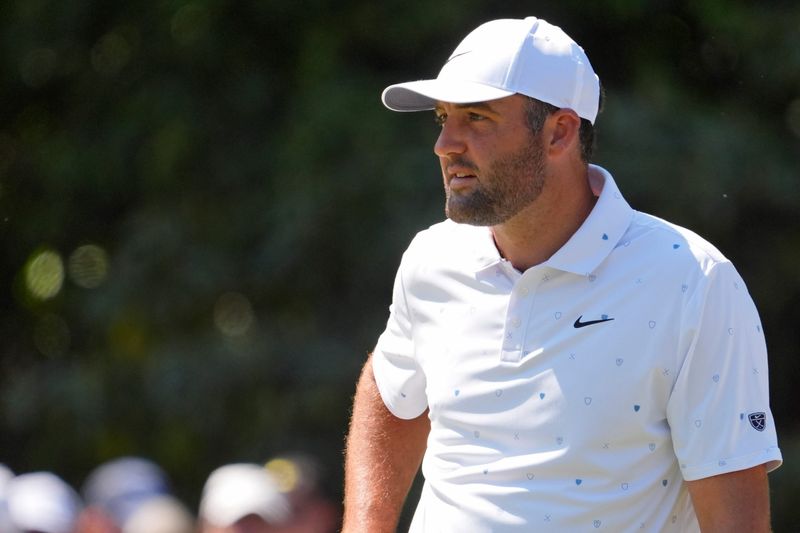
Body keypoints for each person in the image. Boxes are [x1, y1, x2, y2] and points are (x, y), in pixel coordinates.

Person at [342, 16, 782, 532]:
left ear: (560, 132)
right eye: (442, 118)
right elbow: (393, 390)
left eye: (477, 118)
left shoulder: (694, 281)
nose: (446, 144)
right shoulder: (431, 258)